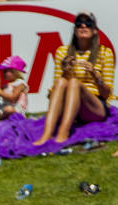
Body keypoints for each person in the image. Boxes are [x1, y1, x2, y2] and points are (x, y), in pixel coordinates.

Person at [33, 12, 113, 147]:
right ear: (75, 30)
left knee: (75, 83)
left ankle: (62, 134)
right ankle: (47, 134)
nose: (83, 25)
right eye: (78, 23)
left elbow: (106, 94)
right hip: (69, 106)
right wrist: (65, 72)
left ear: (94, 30)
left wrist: (95, 75)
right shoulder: (63, 52)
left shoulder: (104, 53)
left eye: (88, 23)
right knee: (61, 81)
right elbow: (55, 90)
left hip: (94, 107)